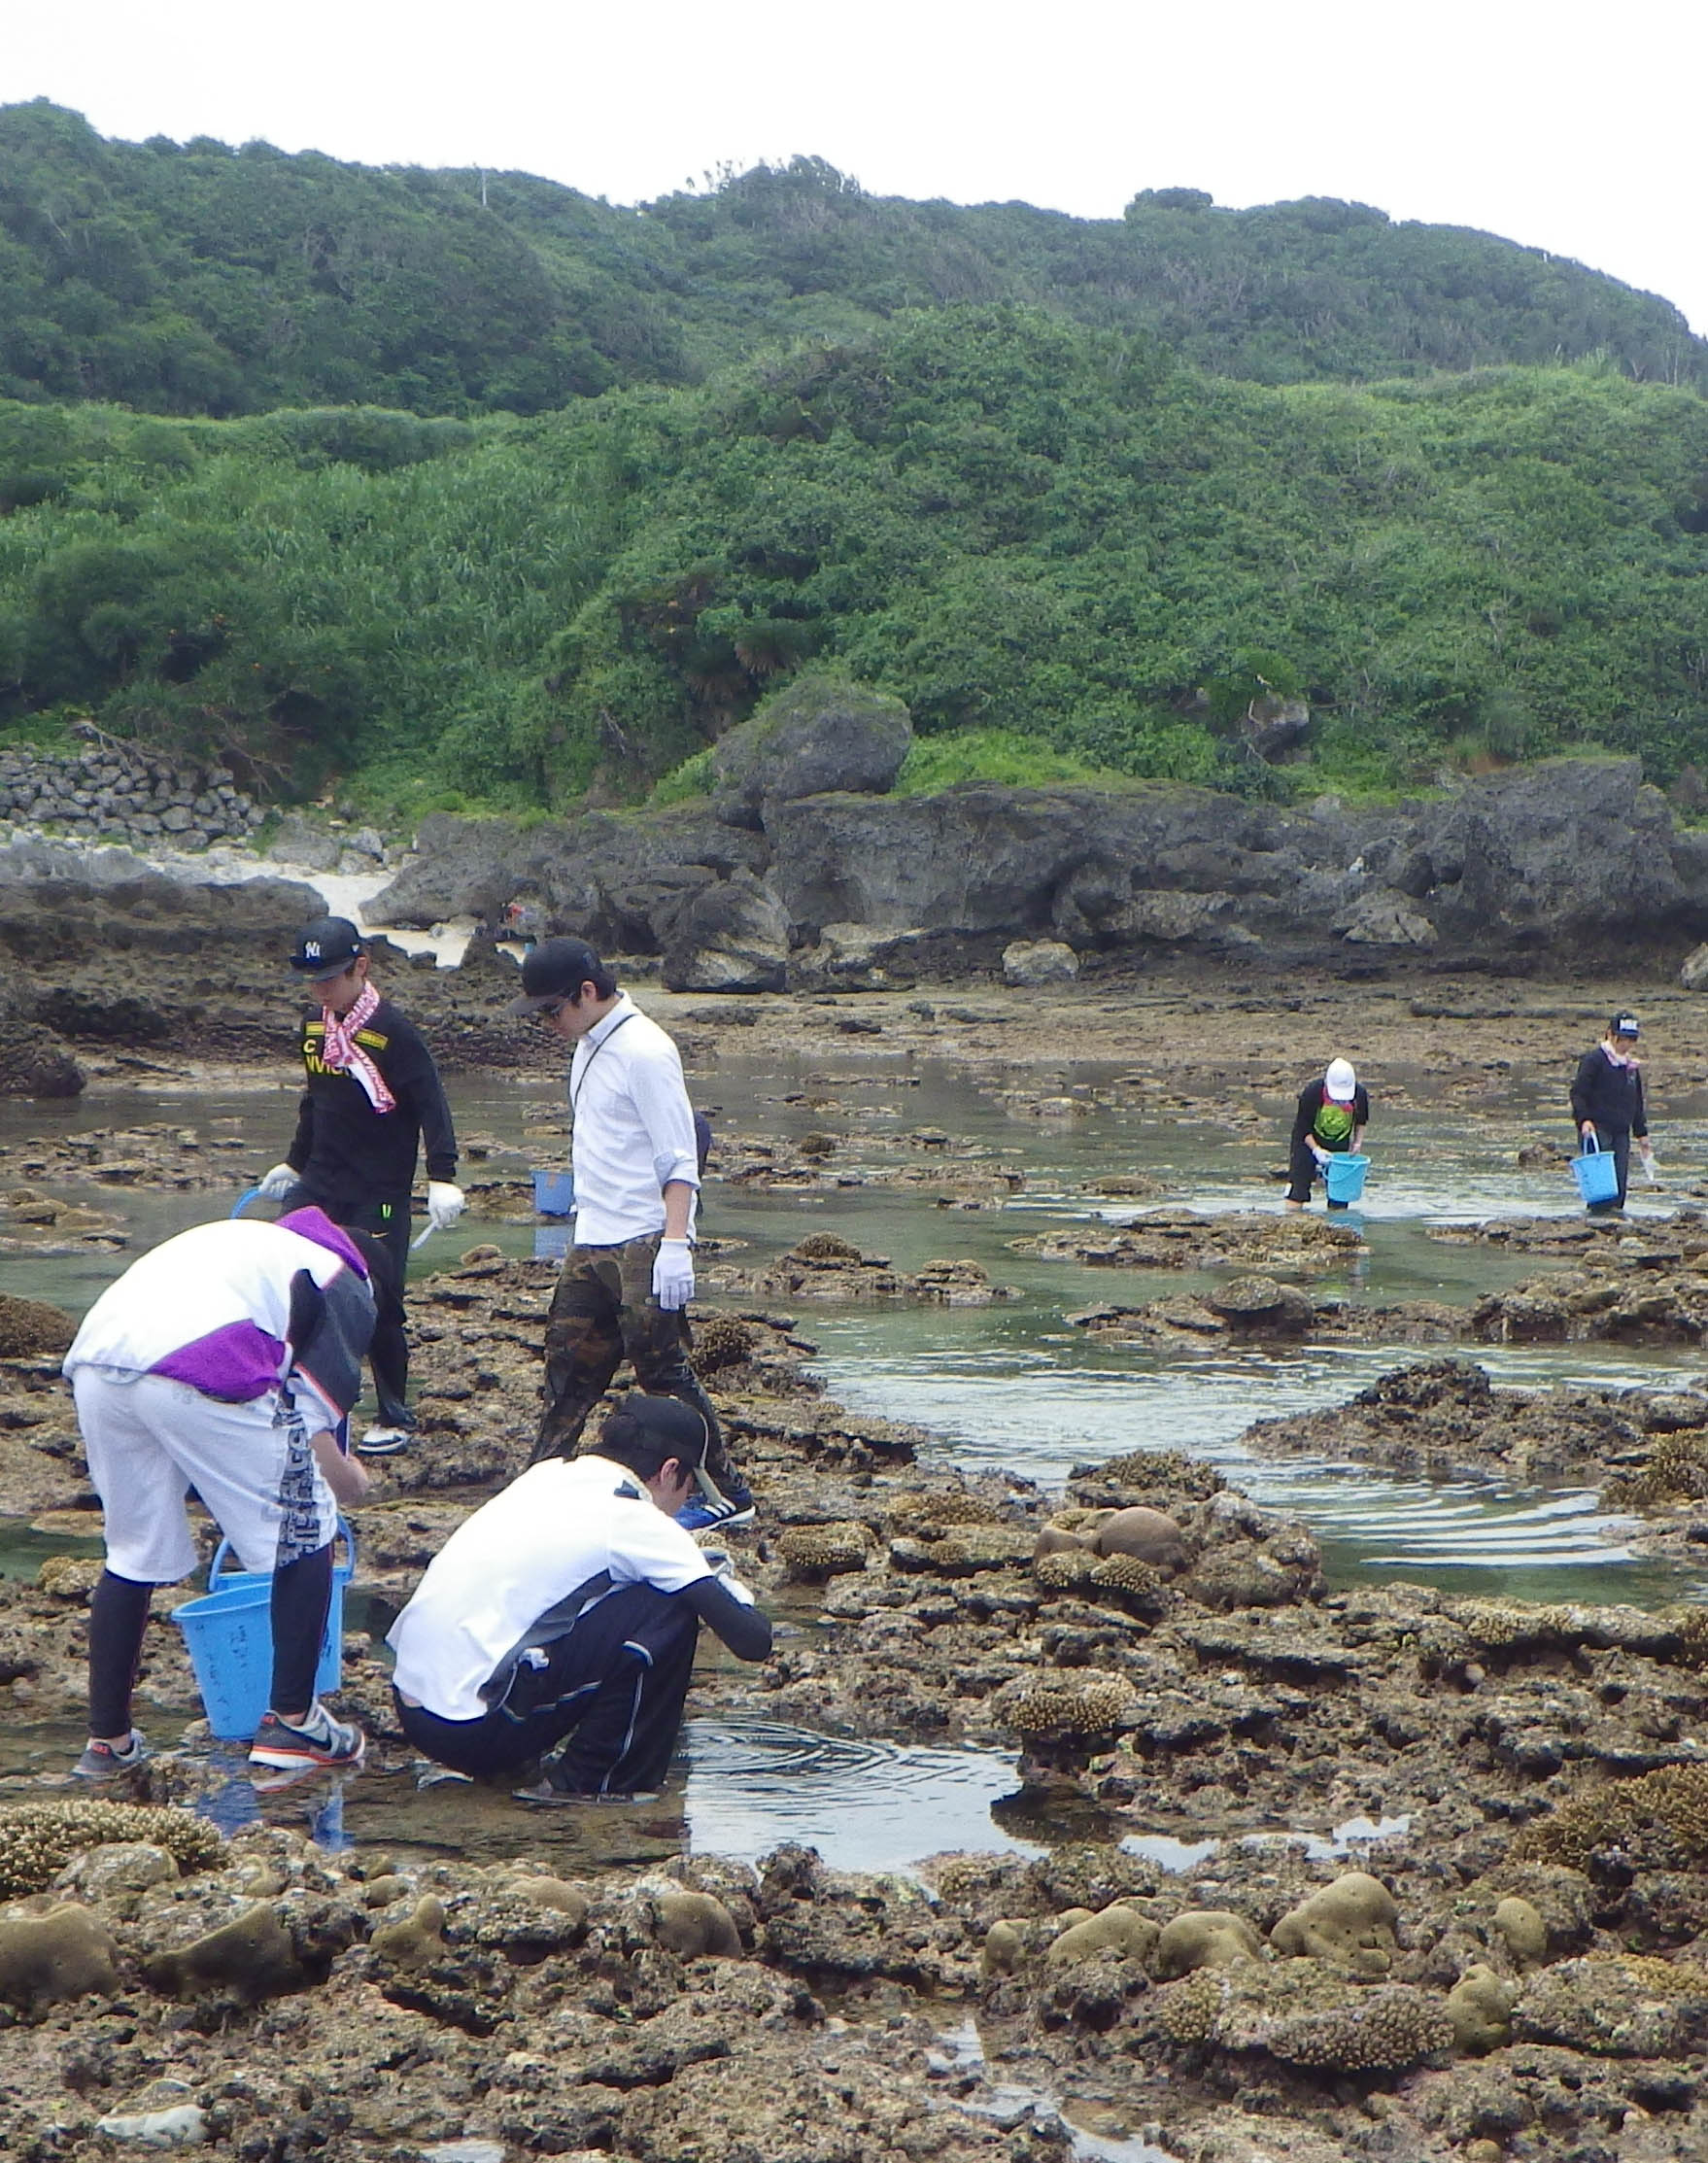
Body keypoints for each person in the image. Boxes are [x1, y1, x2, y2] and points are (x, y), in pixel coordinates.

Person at [62, 1208, 376, 1777]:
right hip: (197, 1362)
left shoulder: (247, 1245)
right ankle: (293, 1722)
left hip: (98, 1360)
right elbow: (310, 1417)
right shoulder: (342, 1278)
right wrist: (349, 1481)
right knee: (306, 1532)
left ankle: (108, 1741)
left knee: (132, 1550)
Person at [388, 1393, 772, 1801]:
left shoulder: (545, 1476)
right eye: (688, 1491)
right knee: (670, 1606)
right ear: (670, 1471)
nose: (680, 1508)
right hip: (472, 1730)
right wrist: (726, 1584)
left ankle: (525, 1762)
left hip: (415, 1711)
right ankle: (600, 1783)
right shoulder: (635, 1519)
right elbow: (753, 1641)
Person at [510, 936, 753, 1531]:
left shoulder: (645, 1050)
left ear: (588, 993)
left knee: (665, 1374)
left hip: (644, 1240)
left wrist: (676, 1244)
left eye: (552, 1011)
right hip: (593, 1236)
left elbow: (679, 1154)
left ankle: (726, 1494)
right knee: (569, 1369)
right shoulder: (589, 1044)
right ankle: (540, 1482)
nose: (547, 1024)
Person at [255, 916, 463, 1458]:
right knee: (287, 1284)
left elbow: (431, 1103)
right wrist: (294, 1164)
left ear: (361, 968)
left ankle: (395, 1412)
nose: (320, 991)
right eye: (312, 981)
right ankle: (290, 1401)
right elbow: (315, 1099)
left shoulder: (394, 1031)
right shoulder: (314, 1027)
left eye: (329, 979)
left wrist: (442, 1177)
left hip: (380, 1192)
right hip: (321, 1179)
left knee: (381, 1300)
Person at [1570, 1013, 1654, 1214]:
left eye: (1630, 1039)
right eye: (1621, 1038)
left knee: (1619, 1182)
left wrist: (1641, 1134)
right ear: (1610, 1034)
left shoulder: (1630, 1068)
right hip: (1597, 1128)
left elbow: (1636, 1102)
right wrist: (1584, 1120)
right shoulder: (1594, 1060)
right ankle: (1597, 1220)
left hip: (1621, 1131)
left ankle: (1616, 1219)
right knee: (1602, 1184)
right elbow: (1579, 1093)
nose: (1625, 1044)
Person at [1284, 1057, 1370, 1209]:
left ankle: (1339, 1224)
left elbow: (1361, 1121)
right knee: (1298, 1186)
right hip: (1307, 1140)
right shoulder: (1312, 1092)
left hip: (1339, 1142)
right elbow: (1302, 1128)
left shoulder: (1359, 1094)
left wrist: (1357, 1143)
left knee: (1339, 1193)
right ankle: (1293, 1217)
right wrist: (1316, 1150)